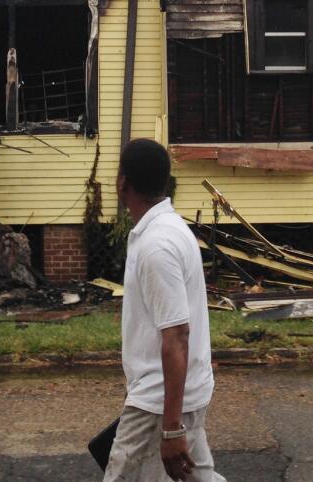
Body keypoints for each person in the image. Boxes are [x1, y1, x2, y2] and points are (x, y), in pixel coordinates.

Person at [103, 138, 224, 482]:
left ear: (122, 182)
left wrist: (171, 429)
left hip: (158, 402)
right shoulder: (168, 229)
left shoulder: (157, 244)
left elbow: (176, 336)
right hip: (179, 393)